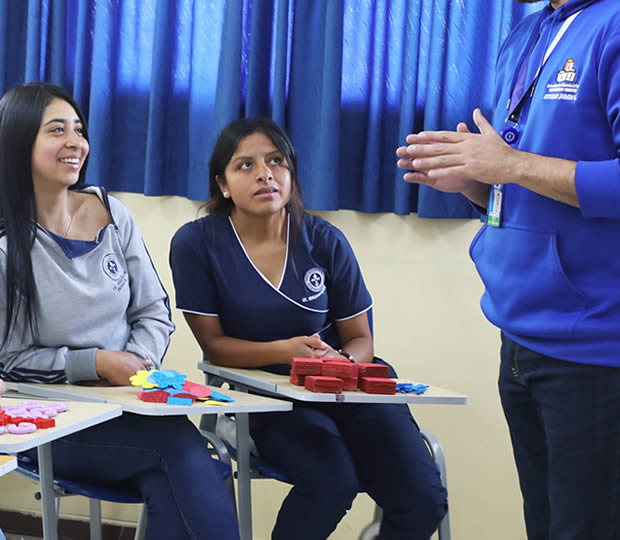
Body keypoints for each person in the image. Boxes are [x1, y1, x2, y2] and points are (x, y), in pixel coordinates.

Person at [397, 0, 620, 540]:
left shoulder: (614, 27)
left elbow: (526, 164)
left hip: (595, 356)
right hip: (521, 338)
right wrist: (475, 181)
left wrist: (512, 163)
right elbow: (517, 179)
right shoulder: (528, 34)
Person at [169, 117, 447, 540]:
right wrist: (285, 353)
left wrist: (343, 366)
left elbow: (360, 338)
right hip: (268, 400)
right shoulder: (196, 243)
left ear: (291, 173)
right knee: (331, 482)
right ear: (222, 184)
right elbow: (215, 347)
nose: (264, 173)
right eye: (245, 165)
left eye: (276, 161)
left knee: (423, 499)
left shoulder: (324, 239)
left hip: (345, 390)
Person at [0, 81, 240, 540]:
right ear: (18, 140)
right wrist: (96, 363)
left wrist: (136, 367)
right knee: (183, 457)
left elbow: (154, 311)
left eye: (79, 130)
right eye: (56, 131)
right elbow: (9, 362)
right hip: (57, 421)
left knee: (180, 474)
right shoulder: (8, 243)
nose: (75, 143)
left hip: (131, 409)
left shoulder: (113, 213)